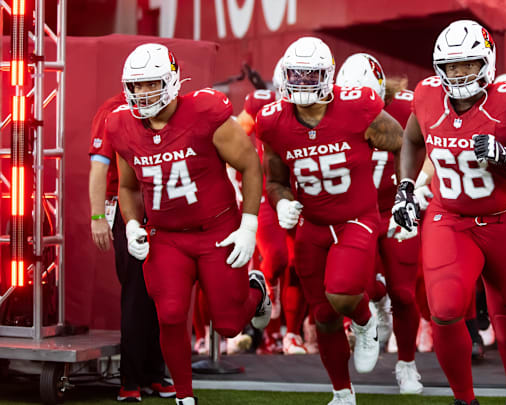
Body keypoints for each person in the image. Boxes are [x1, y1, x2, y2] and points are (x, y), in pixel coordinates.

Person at [392, 20, 506, 405]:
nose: (459, 74)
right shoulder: (426, 95)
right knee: (446, 309)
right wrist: (406, 188)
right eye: (451, 67)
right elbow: (411, 139)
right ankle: (464, 400)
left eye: (468, 65)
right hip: (450, 217)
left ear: (486, 63)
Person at [105, 43, 271, 405]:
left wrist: (248, 225)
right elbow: (129, 186)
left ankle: (257, 295)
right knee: (170, 313)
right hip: (167, 236)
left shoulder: (205, 112)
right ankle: (184, 395)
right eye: (136, 86)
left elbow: (250, 164)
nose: (143, 93)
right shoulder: (121, 125)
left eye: (151, 84)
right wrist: (133, 225)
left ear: (172, 81)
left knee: (228, 325)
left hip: (216, 229)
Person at [256, 37, 404, 405]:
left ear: (328, 76)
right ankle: (342, 392)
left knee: (340, 294)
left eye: (311, 76)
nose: (303, 84)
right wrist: (282, 201)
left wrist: (407, 188)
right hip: (314, 224)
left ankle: (365, 320)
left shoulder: (357, 105)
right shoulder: (273, 121)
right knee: (322, 314)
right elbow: (274, 180)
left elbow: (401, 140)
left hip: (357, 217)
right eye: (296, 76)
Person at [336, 53, 423, 394]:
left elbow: (424, 147)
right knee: (359, 283)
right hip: (357, 214)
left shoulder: (404, 108)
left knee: (404, 292)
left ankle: (406, 364)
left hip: (395, 208)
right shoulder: (333, 112)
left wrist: (418, 188)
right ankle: (378, 304)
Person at [88, 93, 175, 402]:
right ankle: (131, 376)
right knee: (137, 292)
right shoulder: (114, 110)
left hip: (166, 206)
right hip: (129, 209)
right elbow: (99, 165)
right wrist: (98, 215)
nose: (149, 87)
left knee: (163, 292)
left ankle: (155, 372)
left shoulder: (172, 105)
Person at [236, 60, 309, 355]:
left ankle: (292, 334)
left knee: (300, 262)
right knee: (277, 257)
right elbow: (234, 137)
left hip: (305, 193)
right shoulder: (261, 104)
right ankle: (266, 292)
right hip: (270, 192)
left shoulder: (322, 109)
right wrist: (237, 171)